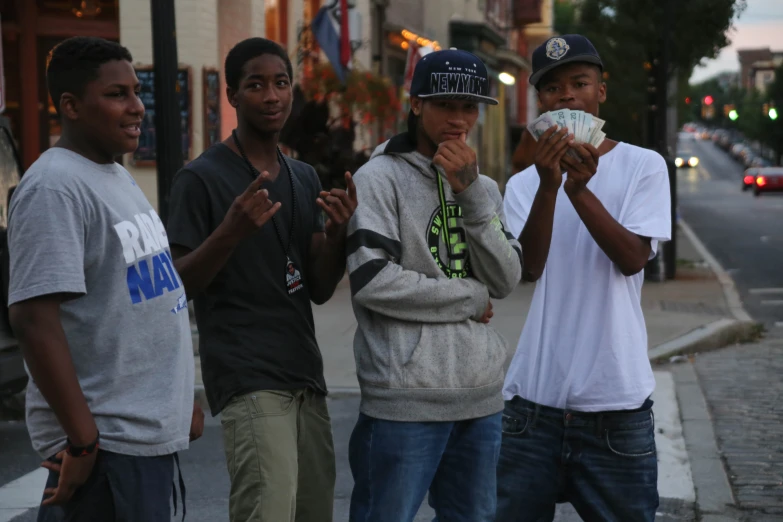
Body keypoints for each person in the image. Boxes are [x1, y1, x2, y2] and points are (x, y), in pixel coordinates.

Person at [7, 36, 201, 522]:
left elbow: (151, 295)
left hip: (141, 440)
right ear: (70, 106)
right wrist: (84, 441)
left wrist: (179, 400)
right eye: (117, 94)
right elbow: (33, 320)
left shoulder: (112, 173)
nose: (137, 107)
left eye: (137, 91)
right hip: (108, 448)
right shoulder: (54, 187)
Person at [166, 37, 356, 522]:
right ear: (231, 95)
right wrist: (229, 233)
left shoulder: (302, 176)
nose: (272, 96)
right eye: (256, 85)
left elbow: (315, 287)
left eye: (281, 83)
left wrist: (336, 235)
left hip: (305, 375)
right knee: (267, 512)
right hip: (248, 375)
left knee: (314, 512)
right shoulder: (201, 179)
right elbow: (178, 286)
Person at [496, 34, 672, 521]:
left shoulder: (643, 166)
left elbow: (634, 258)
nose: (566, 95)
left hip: (616, 405)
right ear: (541, 102)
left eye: (579, 83)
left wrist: (579, 191)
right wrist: (549, 188)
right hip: (532, 402)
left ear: (601, 92)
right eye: (552, 88)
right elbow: (528, 269)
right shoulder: (523, 183)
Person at [345, 48, 522, 522]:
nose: (459, 119)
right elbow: (372, 280)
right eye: (446, 105)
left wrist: (470, 195)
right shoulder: (378, 179)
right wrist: (469, 297)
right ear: (417, 103)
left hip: (480, 394)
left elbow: (506, 280)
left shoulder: (481, 186)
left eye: (470, 107)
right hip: (405, 397)